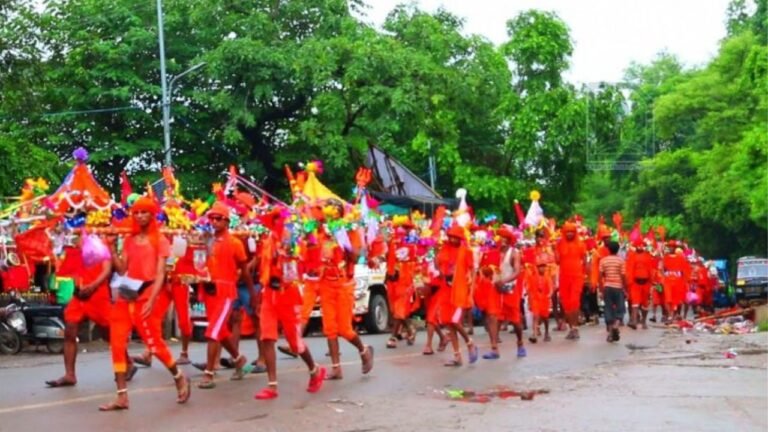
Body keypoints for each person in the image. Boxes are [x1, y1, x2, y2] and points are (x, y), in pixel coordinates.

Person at [101, 196, 190, 411]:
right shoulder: (129, 240)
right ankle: (121, 396)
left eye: (144, 212)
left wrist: (152, 300)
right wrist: (112, 250)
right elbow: (122, 269)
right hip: (126, 295)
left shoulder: (160, 240)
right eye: (137, 212)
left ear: (151, 215)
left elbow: (160, 274)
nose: (140, 216)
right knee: (116, 344)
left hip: (146, 296)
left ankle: (178, 377)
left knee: (154, 344)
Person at [253, 210, 326, 399]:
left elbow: (307, 258)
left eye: (281, 220)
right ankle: (272, 386)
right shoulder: (268, 241)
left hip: (289, 294)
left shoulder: (294, 241)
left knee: (295, 343)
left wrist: (302, 240)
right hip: (269, 293)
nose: (277, 223)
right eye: (274, 220)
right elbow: (264, 267)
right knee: (267, 337)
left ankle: (314, 369)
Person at [46, 243, 130, 387]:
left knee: (108, 333)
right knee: (69, 331)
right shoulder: (77, 242)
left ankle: (128, 362)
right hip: (79, 295)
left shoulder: (103, 242)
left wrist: (92, 286)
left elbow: (107, 269)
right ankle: (70, 375)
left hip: (98, 294)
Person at [196, 202, 254, 389]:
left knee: (213, 331)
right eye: (211, 218)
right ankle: (238, 359)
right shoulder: (209, 240)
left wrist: (253, 293)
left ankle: (209, 373)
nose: (214, 222)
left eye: (218, 218)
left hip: (226, 293)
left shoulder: (235, 243)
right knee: (220, 332)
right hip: (209, 290)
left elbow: (245, 271)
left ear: (227, 221)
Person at [318, 200, 374, 380]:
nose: (331, 213)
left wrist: (344, 241)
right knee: (329, 328)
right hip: (326, 283)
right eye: (328, 210)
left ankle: (363, 350)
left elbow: (358, 256)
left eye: (335, 210)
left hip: (344, 284)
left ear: (341, 213)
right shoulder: (321, 232)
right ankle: (336, 368)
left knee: (344, 329)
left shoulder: (349, 230)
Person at [436, 225, 478, 367]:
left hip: (460, 291)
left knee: (454, 321)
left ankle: (469, 342)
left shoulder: (466, 251)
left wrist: (470, 292)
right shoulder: (444, 249)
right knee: (449, 322)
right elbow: (439, 266)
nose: (453, 239)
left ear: (460, 238)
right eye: (451, 236)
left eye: (456, 237)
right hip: (446, 290)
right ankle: (457, 356)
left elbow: (472, 271)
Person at [555, 222, 588, 340]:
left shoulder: (581, 244)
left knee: (574, 301)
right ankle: (572, 328)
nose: (569, 234)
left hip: (577, 276)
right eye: (567, 232)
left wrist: (586, 275)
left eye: (571, 232)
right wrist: (555, 250)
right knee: (566, 304)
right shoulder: (559, 244)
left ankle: (575, 328)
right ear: (564, 233)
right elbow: (557, 261)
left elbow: (585, 261)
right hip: (564, 276)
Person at [498, 230, 525, 358]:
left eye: (503, 238)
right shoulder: (495, 252)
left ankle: (520, 342)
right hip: (496, 290)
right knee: (494, 317)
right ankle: (494, 348)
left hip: (510, 289)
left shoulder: (514, 253)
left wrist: (504, 280)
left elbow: (517, 271)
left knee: (515, 320)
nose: (500, 240)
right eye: (500, 237)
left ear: (508, 240)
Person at [599, 241, 626, 343]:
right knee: (620, 309)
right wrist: (624, 288)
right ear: (618, 250)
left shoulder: (603, 261)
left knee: (608, 309)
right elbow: (623, 275)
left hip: (607, 287)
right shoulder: (621, 261)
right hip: (618, 287)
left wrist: (601, 289)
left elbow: (600, 276)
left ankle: (610, 334)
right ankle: (616, 325)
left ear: (608, 249)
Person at [625, 239, 655, 329]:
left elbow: (651, 270)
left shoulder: (648, 256)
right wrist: (629, 282)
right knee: (635, 302)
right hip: (635, 283)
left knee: (645, 304)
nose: (640, 247)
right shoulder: (631, 256)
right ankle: (634, 321)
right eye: (638, 245)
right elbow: (629, 270)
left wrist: (652, 281)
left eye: (642, 245)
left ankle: (644, 321)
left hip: (646, 283)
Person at [527, 256, 553, 343]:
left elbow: (551, 289)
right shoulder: (532, 277)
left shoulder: (547, 277)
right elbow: (529, 290)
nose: (542, 268)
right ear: (537, 268)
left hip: (545, 300)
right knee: (535, 316)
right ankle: (534, 334)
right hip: (535, 300)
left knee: (545, 318)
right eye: (540, 266)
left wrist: (549, 295)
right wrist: (529, 302)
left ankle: (546, 332)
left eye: (543, 266)